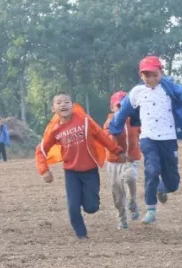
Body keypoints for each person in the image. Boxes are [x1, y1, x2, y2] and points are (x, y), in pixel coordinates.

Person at [107, 55, 182, 224]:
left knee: (173, 182)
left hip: (168, 139)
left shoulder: (168, 87)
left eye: (154, 74)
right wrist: (114, 128)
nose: (151, 79)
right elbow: (123, 111)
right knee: (152, 170)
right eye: (146, 75)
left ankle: (162, 189)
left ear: (161, 72)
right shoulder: (136, 92)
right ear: (141, 75)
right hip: (148, 138)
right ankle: (151, 209)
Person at [35, 93, 124, 240]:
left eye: (66, 102)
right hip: (71, 172)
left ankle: (85, 198)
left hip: (90, 171)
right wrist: (44, 170)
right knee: (73, 207)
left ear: (72, 105)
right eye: (59, 102)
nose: (63, 105)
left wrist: (116, 150)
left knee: (92, 207)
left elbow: (101, 135)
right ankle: (81, 235)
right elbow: (41, 150)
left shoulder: (85, 120)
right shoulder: (54, 129)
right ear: (53, 108)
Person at [103, 91, 142, 229]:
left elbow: (143, 133)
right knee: (117, 193)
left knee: (130, 177)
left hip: (130, 160)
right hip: (114, 161)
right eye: (118, 106)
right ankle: (122, 218)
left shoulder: (135, 120)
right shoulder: (109, 122)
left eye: (125, 106)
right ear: (112, 107)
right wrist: (114, 136)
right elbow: (107, 138)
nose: (122, 109)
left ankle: (132, 201)